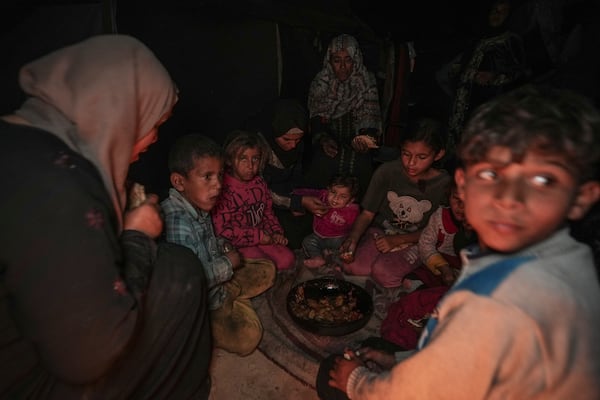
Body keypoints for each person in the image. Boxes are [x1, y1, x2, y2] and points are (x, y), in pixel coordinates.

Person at [320, 84, 600, 399]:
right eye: (491, 176)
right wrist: (398, 360)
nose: (508, 199)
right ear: (463, 185)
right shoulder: (565, 259)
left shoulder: (504, 298)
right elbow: (452, 362)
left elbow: (426, 386)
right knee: (377, 349)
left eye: (542, 180)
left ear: (582, 197)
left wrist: (356, 383)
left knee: (333, 378)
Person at [0, 34, 213, 399]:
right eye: (152, 123)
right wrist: (138, 236)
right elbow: (89, 355)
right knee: (181, 272)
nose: (152, 141)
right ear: (119, 112)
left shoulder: (17, 139)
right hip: (25, 383)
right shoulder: (59, 184)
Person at [161, 133, 276, 356]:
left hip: (219, 280)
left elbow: (210, 241)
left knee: (268, 269)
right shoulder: (177, 222)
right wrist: (227, 263)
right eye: (207, 177)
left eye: (220, 175)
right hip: (201, 302)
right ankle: (211, 323)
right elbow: (192, 282)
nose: (218, 186)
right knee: (248, 338)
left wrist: (223, 246)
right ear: (179, 181)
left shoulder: (197, 203)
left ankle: (232, 294)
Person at [338, 116, 451, 306]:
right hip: (382, 231)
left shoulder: (444, 185)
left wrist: (399, 240)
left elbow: (439, 232)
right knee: (353, 266)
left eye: (421, 157)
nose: (411, 163)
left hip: (418, 240)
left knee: (383, 273)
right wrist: (353, 239)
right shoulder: (387, 171)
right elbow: (367, 214)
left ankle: (415, 277)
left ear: (438, 155)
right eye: (406, 154)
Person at [444, 0, 530, 159]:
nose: (496, 15)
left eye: (502, 12)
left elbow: (520, 75)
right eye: (494, 10)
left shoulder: (510, 41)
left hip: (487, 107)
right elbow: (461, 65)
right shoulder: (478, 39)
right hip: (461, 104)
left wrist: (495, 77)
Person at [305, 33, 383, 200]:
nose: (342, 66)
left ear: (355, 60)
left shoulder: (366, 81)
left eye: (348, 60)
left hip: (355, 137)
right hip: (329, 136)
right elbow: (316, 119)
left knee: (361, 162)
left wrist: (364, 138)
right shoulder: (321, 82)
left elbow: (370, 117)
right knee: (323, 159)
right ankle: (319, 206)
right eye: (336, 60)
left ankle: (355, 211)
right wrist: (324, 139)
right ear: (329, 61)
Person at [245, 97, 329, 249]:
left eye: (297, 140)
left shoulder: (298, 146)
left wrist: (298, 201)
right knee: (285, 234)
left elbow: (296, 178)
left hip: (288, 198)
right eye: (286, 139)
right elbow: (259, 191)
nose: (292, 145)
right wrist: (297, 202)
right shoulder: (258, 147)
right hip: (263, 204)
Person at [212, 129, 296, 270]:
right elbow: (222, 231)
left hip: (263, 237)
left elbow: (267, 212)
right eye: (243, 159)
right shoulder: (222, 189)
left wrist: (276, 233)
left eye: (255, 159)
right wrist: (258, 237)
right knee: (265, 266)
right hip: (237, 244)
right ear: (229, 160)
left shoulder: (259, 183)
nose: (250, 166)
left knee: (288, 260)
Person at [298, 174, 361, 269]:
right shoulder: (323, 196)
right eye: (333, 192)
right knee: (307, 241)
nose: (336, 198)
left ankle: (337, 264)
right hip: (318, 235)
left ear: (351, 200)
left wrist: (348, 250)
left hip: (338, 238)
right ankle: (318, 258)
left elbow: (355, 229)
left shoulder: (352, 211)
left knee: (345, 248)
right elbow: (307, 192)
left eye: (343, 196)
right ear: (328, 189)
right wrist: (296, 197)